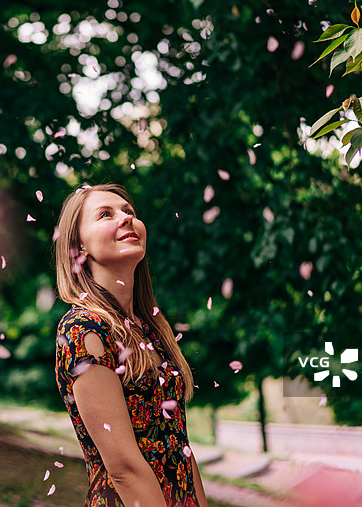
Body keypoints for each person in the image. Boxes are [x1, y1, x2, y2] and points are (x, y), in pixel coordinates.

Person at [54, 183, 209, 507]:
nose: (125, 219)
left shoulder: (150, 330)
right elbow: (123, 468)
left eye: (130, 212)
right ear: (79, 248)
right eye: (106, 214)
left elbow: (181, 446)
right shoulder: (84, 330)